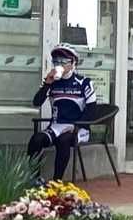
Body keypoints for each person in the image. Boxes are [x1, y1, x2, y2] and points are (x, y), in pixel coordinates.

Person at [28, 43, 96, 181]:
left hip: (79, 128)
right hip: (56, 126)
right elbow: (36, 102)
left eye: (64, 61)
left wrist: (74, 126)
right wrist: (47, 84)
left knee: (63, 140)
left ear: (73, 63)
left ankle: (57, 182)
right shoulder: (52, 81)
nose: (59, 64)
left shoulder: (84, 83)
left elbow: (92, 111)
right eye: (56, 61)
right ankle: (34, 180)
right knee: (36, 140)